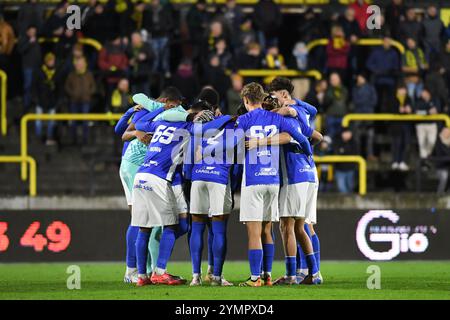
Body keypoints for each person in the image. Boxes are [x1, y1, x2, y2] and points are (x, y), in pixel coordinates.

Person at [130, 91, 230, 286]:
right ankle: (159, 272)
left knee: (144, 229)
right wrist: (228, 117)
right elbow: (212, 126)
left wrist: (159, 110)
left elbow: (140, 125)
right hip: (160, 178)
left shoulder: (161, 121)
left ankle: (142, 276)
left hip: (141, 175)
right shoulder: (189, 126)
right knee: (172, 226)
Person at [235, 82, 312, 287]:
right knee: (267, 229)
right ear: (262, 99)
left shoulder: (243, 120)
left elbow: (231, 146)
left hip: (253, 180)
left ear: (245, 100)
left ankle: (254, 278)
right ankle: (267, 275)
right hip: (273, 180)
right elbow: (300, 137)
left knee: (254, 231)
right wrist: (309, 153)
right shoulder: (277, 118)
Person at [266, 77, 323, 285]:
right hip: (309, 171)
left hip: (294, 175)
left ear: (283, 94)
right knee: (303, 225)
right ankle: (311, 272)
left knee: (287, 225)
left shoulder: (289, 113)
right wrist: (307, 152)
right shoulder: (304, 112)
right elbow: (318, 135)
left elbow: (288, 132)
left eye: (273, 96)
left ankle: (295, 274)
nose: (270, 101)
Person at [64, 57, 96, 144]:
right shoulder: (71, 75)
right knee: (73, 121)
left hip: (86, 101)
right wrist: (73, 94)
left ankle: (85, 140)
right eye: (78, 64)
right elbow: (67, 87)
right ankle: (73, 140)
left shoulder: (89, 74)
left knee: (85, 121)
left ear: (84, 64)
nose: (80, 65)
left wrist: (89, 93)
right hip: (74, 101)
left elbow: (93, 86)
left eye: (81, 63)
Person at [32, 52, 60, 146]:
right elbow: (34, 86)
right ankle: (38, 138)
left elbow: (58, 88)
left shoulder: (56, 72)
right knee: (38, 120)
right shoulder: (39, 72)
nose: (51, 62)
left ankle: (49, 137)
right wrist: (36, 99)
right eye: (49, 60)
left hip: (52, 101)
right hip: (40, 100)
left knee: (52, 121)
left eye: (52, 60)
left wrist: (57, 100)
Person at [366, 37, 400, 113]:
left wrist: (389, 71)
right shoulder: (376, 52)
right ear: (383, 42)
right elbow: (369, 64)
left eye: (389, 42)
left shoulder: (394, 53)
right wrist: (376, 71)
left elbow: (396, 67)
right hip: (378, 81)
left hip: (390, 81)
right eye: (386, 41)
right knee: (378, 101)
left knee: (390, 102)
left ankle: (390, 122)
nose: (387, 43)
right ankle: (378, 121)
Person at [143, 0, 174, 78]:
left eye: (156, 1)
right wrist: (152, 29)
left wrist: (163, 28)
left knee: (165, 54)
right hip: (153, 36)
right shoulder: (148, 12)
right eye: (153, 1)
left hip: (164, 35)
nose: (154, 2)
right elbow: (145, 24)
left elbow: (170, 23)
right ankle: (154, 72)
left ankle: (166, 70)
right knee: (155, 54)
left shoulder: (165, 11)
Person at [352, 74, 377, 160]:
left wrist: (365, 105)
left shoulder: (370, 88)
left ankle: (370, 155)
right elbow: (355, 101)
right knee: (357, 136)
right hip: (358, 115)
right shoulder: (355, 89)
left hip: (369, 115)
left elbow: (374, 101)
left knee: (370, 136)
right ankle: (357, 154)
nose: (359, 80)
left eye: (360, 78)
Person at [17, 25, 41, 113]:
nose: (33, 33)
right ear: (27, 32)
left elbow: (38, 54)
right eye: (31, 31)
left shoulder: (36, 40)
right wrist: (29, 43)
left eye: (34, 31)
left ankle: (33, 102)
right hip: (28, 67)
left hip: (36, 67)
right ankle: (26, 105)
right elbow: (21, 50)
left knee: (35, 86)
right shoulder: (24, 39)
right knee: (28, 86)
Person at [414, 89, 440, 167]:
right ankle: (424, 162)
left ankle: (427, 158)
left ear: (429, 93)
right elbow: (416, 112)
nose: (423, 94)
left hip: (432, 124)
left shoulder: (435, 100)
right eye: (422, 92)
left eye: (424, 92)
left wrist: (426, 111)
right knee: (421, 143)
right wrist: (428, 112)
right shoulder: (418, 101)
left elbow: (437, 110)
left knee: (431, 141)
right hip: (421, 125)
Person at [390, 85, 412, 171]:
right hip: (396, 125)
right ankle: (395, 161)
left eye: (404, 90)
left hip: (406, 124)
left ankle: (403, 161)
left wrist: (409, 110)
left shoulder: (408, 99)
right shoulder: (393, 98)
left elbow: (412, 108)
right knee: (397, 144)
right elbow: (389, 109)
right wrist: (398, 110)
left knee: (406, 143)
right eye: (401, 89)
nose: (403, 91)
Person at [402, 37, 428, 105]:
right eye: (408, 43)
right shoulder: (405, 53)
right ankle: (412, 110)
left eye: (411, 42)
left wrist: (421, 67)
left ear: (415, 42)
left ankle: (419, 110)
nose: (410, 44)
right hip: (410, 78)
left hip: (421, 78)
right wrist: (415, 69)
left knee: (420, 94)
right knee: (410, 94)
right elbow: (403, 68)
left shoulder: (420, 51)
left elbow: (427, 65)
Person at [127, 32, 153, 96]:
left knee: (146, 94)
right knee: (135, 95)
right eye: (132, 38)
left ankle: (146, 106)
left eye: (135, 38)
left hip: (144, 75)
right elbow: (126, 58)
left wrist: (145, 56)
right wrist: (129, 62)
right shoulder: (129, 47)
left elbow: (153, 56)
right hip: (134, 75)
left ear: (140, 39)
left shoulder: (146, 46)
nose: (134, 40)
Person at [324, 72, 348, 140]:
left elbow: (345, 99)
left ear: (339, 79)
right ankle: (330, 150)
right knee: (330, 136)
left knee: (341, 136)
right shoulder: (328, 90)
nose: (333, 81)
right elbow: (326, 102)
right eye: (332, 79)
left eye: (335, 79)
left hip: (342, 116)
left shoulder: (344, 89)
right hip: (331, 116)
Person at [334, 129, 357, 193]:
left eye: (348, 133)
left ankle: (350, 202)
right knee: (342, 189)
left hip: (350, 169)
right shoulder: (337, 142)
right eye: (345, 133)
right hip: (340, 169)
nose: (346, 135)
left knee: (350, 188)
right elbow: (336, 152)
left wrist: (343, 151)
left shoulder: (354, 143)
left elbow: (355, 153)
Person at [433, 127, 450, 194]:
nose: (447, 134)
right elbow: (441, 154)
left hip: (448, 167)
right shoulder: (438, 142)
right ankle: (439, 194)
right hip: (440, 167)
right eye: (445, 132)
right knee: (444, 176)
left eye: (448, 133)